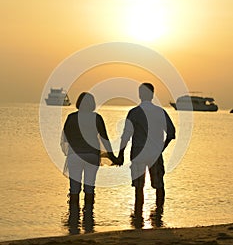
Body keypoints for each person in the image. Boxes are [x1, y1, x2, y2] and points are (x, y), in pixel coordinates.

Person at [118, 83, 175, 218]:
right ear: (152, 94)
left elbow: (126, 135)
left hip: (138, 154)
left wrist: (120, 154)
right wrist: (162, 147)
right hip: (155, 153)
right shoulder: (160, 112)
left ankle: (138, 217)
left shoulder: (134, 113)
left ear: (140, 94)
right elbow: (171, 133)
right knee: (159, 185)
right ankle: (158, 216)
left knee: (139, 188)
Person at [61, 92, 118, 214]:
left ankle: (73, 217)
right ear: (91, 104)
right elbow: (105, 139)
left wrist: (75, 147)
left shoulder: (71, 118)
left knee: (74, 188)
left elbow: (66, 137)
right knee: (89, 186)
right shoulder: (96, 118)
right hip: (91, 156)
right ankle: (88, 216)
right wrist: (113, 157)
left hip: (75, 156)